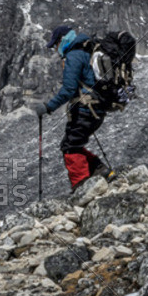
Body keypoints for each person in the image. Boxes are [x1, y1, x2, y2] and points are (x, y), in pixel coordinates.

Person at [34, 22, 111, 189]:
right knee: (73, 143)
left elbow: (69, 88)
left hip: (86, 108)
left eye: (55, 44)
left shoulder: (74, 55)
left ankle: (81, 186)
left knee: (70, 146)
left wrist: (48, 107)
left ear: (62, 40)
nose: (55, 49)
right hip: (96, 107)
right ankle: (101, 171)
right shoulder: (85, 52)